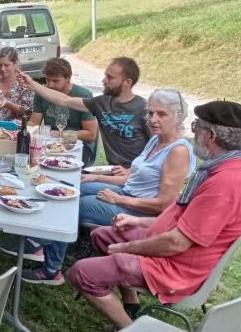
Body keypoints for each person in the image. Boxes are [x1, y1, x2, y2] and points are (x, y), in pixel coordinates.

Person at [66, 100, 241, 330]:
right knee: (102, 235)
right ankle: (131, 302)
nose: (193, 130)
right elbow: (182, 220)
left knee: (81, 272)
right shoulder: (225, 168)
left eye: (197, 125)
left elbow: (176, 243)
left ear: (211, 136)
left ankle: (129, 328)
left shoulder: (227, 182)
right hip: (172, 251)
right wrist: (138, 220)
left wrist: (129, 248)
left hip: (177, 268)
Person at [10, 89, 196, 285]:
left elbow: (163, 205)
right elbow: (134, 181)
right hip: (127, 194)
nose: (153, 119)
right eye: (150, 113)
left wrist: (118, 199)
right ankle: (42, 242)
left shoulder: (178, 151)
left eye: (162, 114)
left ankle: (50, 269)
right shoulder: (156, 140)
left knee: (69, 207)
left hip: (138, 212)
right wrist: (95, 177)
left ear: (178, 116)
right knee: (68, 188)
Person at [19, 56, 149, 167]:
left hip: (134, 174)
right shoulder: (101, 103)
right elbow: (63, 100)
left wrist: (57, 134)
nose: (103, 81)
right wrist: (32, 84)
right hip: (113, 170)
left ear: (128, 82)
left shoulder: (145, 109)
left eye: (110, 78)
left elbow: (160, 150)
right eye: (47, 80)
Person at [27, 58, 98, 166]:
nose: (50, 85)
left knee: (62, 166)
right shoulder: (42, 93)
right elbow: (34, 123)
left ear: (68, 78)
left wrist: (59, 135)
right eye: (47, 80)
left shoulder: (84, 95)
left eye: (55, 81)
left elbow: (90, 134)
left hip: (79, 146)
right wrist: (23, 127)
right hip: (50, 144)